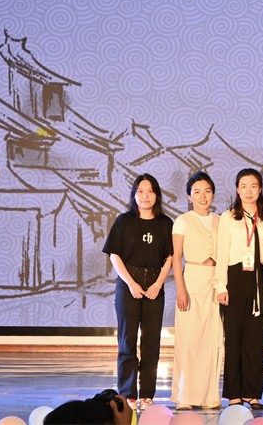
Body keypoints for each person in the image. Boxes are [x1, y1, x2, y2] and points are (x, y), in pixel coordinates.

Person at [101, 174, 173, 412]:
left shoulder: (165, 223)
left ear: (157, 195)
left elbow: (170, 257)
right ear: (134, 195)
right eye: (140, 191)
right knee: (127, 340)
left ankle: (148, 394)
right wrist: (131, 283)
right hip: (128, 284)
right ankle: (128, 394)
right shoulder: (124, 221)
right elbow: (114, 255)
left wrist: (158, 284)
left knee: (151, 341)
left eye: (150, 191)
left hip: (154, 284)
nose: (145, 196)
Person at [215, 168, 263, 410]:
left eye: (254, 186)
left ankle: (252, 393)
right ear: (237, 190)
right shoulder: (228, 217)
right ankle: (233, 394)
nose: (249, 191)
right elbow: (221, 253)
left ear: (260, 189)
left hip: (260, 279)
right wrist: (221, 285)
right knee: (234, 338)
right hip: (235, 277)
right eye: (244, 186)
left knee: (256, 338)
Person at [171, 171, 222, 410]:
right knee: (189, 339)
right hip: (191, 278)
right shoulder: (183, 220)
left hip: (215, 280)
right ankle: (185, 396)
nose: (203, 196)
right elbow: (176, 257)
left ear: (213, 194)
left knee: (212, 339)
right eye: (197, 192)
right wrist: (180, 289)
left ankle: (209, 396)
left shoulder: (220, 220)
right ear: (189, 196)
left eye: (207, 191)